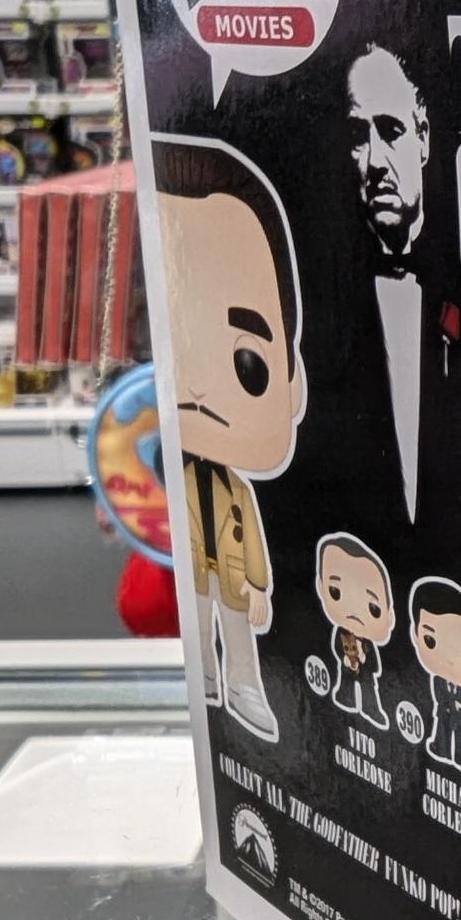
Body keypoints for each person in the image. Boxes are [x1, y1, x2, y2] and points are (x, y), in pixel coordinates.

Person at [153, 134, 306, 745]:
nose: (196, 386)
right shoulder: (176, 469)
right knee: (197, 628)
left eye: (249, 365)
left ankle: (242, 684)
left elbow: (256, 540)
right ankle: (209, 681)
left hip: (237, 576)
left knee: (239, 632)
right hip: (193, 570)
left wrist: (262, 586)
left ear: (292, 383)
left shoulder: (238, 489)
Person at [346, 44, 430, 525]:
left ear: (423, 137)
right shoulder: (330, 317)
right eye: (360, 136)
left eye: (391, 131)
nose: (376, 160)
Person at [410, 575, 461, 779]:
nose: (449, 661)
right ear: (415, 636)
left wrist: (459, 707)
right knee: (442, 733)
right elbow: (438, 696)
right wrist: (448, 704)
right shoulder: (438, 680)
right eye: (430, 640)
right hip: (444, 713)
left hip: (460, 718)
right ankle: (440, 750)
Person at [316, 532, 395, 730]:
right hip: (346, 666)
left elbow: (374, 662)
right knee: (345, 684)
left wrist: (365, 659)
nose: (353, 612)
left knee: (369, 690)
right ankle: (345, 699)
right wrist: (345, 659)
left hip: (366, 671)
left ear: (390, 616)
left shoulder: (367, 643)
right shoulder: (341, 633)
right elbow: (337, 648)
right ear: (321, 587)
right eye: (335, 592)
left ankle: (371, 710)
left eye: (373, 608)